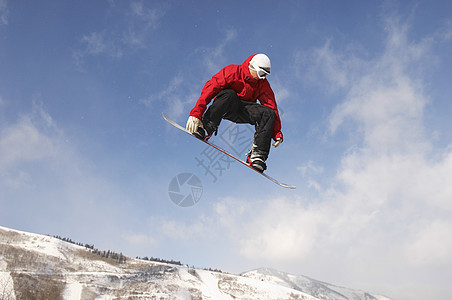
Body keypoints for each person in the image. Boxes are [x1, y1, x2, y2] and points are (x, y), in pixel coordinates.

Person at [186, 53, 283, 173]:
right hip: (226, 105)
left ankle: (257, 155)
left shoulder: (262, 84)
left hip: (244, 110)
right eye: (261, 74)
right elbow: (210, 88)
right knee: (229, 94)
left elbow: (271, 105)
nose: (262, 78)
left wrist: (276, 132)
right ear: (252, 67)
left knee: (268, 113)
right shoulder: (233, 71)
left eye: (266, 75)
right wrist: (196, 114)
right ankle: (206, 127)